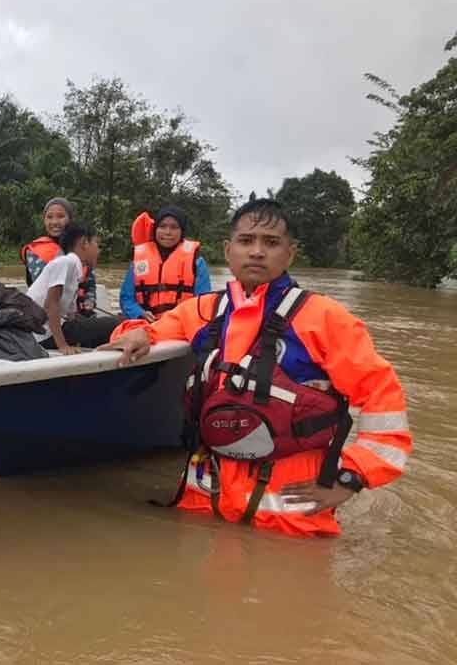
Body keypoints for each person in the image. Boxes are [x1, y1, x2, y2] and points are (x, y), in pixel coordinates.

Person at [100, 198, 411, 537]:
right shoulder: (203, 310)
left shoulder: (325, 318)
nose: (257, 252)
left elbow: (383, 397)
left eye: (271, 242)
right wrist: (138, 333)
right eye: (246, 241)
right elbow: (143, 331)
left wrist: (351, 477)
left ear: (290, 253)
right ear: (228, 250)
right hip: (202, 507)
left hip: (290, 521)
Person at [27, 223, 120, 354]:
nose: (99, 251)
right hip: (42, 335)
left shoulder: (74, 267)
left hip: (49, 331)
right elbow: (50, 305)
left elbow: (70, 316)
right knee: (114, 325)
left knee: (106, 324)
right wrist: (63, 346)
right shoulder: (65, 263)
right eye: (97, 245)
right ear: (84, 243)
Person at [119, 206, 212, 321]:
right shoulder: (139, 259)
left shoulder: (197, 262)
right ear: (155, 229)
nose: (168, 232)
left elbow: (203, 301)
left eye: (174, 227)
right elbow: (127, 299)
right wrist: (139, 313)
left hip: (181, 325)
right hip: (144, 322)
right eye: (162, 226)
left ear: (181, 231)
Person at [20, 197, 97, 313]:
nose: (55, 222)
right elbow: (48, 292)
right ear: (44, 220)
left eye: (60, 216)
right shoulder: (36, 250)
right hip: (47, 314)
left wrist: (89, 301)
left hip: (79, 313)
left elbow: (89, 285)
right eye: (49, 217)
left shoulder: (81, 247)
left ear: (70, 219)